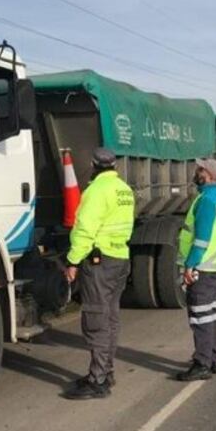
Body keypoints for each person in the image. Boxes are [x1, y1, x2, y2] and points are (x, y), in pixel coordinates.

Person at [62, 148, 135, 400]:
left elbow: (85, 230)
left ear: (94, 165)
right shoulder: (124, 190)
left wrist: (72, 260)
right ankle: (106, 371)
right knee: (110, 317)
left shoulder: (95, 191)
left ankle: (98, 380)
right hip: (120, 259)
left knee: (96, 319)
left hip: (99, 262)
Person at [176, 158, 216, 381]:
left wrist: (190, 265)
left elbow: (201, 239)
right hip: (215, 266)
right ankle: (214, 358)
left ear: (209, 175)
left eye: (200, 169)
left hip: (203, 267)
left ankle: (202, 363)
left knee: (200, 316)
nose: (196, 171)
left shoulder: (206, 200)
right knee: (212, 314)